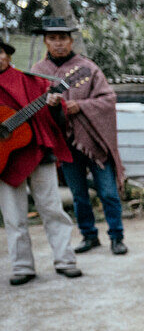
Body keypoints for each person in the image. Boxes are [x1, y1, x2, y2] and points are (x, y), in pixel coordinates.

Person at [31, 16, 127, 256]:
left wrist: (80, 106)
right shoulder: (37, 72)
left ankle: (117, 236)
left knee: (107, 191)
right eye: (53, 38)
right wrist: (48, 105)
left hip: (93, 142)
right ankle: (89, 235)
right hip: (64, 144)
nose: (59, 43)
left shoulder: (87, 68)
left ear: (71, 41)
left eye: (63, 38)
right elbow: (29, 106)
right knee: (78, 195)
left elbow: (108, 99)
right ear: (45, 41)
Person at [0, 38, 82, 284]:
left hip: (37, 151)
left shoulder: (31, 80)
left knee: (52, 209)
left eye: (1, 52)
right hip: (5, 159)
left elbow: (57, 115)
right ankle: (22, 267)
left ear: (8, 55)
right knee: (13, 216)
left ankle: (65, 261)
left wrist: (56, 106)